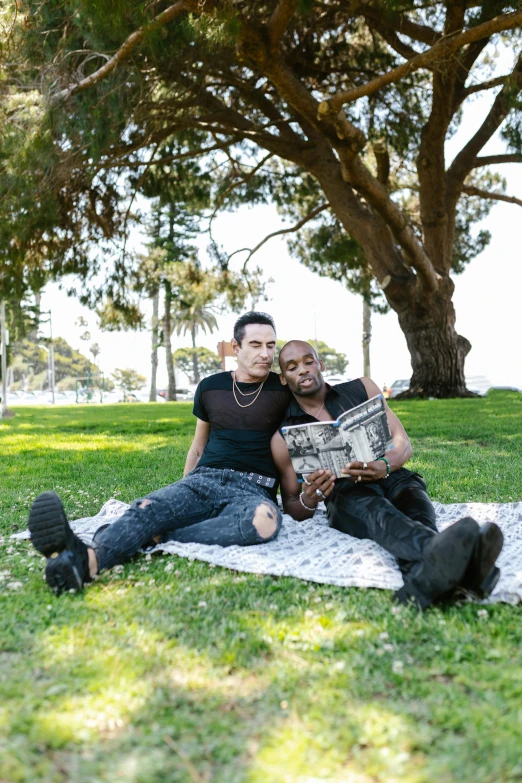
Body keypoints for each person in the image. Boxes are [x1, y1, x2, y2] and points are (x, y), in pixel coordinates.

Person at [28, 312, 291, 595]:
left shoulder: (284, 388)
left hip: (253, 489)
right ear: (236, 347)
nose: (266, 353)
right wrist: (183, 489)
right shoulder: (210, 387)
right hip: (205, 477)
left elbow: (318, 397)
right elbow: (198, 446)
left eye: (271, 345)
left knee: (263, 522)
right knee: (148, 507)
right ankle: (87, 562)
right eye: (256, 344)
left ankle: (156, 535)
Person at [271, 340, 503, 609]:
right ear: (284, 379)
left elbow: (403, 443)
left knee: (417, 512)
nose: (302, 370)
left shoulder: (363, 388)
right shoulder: (283, 436)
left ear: (320, 364)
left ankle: (423, 584)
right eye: (292, 367)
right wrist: (309, 499)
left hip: (394, 476)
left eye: (308, 361)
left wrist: (385, 464)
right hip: (347, 492)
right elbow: (292, 504)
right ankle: (468, 566)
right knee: (380, 513)